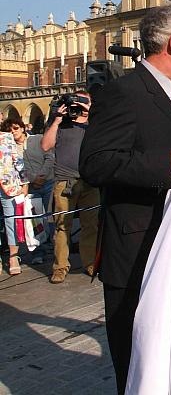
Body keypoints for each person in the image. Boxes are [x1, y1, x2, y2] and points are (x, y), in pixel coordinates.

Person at [80, 6, 171, 394]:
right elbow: (95, 164)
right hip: (135, 253)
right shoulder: (123, 91)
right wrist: (170, 161)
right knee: (136, 362)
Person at [41, 91, 100, 283]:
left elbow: (104, 133)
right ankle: (59, 267)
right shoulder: (62, 123)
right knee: (62, 226)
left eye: (83, 102)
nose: (79, 106)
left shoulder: (95, 123)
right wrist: (57, 120)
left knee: (90, 226)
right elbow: (45, 146)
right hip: (64, 182)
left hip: (90, 181)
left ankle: (90, 263)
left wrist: (90, 110)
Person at [20, 116, 55, 264]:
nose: (13, 132)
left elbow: (50, 157)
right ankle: (38, 252)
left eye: (16, 128)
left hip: (48, 183)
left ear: (22, 128)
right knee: (35, 221)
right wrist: (34, 178)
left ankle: (54, 249)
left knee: (51, 217)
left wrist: (42, 175)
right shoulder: (11, 147)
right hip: (31, 186)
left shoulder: (38, 138)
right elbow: (18, 168)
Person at [0, 116, 29, 275]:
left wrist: (25, 182)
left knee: (11, 221)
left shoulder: (6, 137)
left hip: (8, 186)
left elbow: (18, 161)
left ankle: (13, 257)